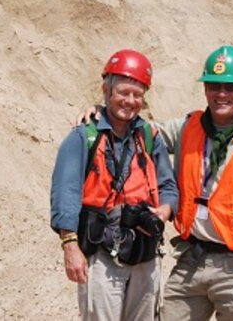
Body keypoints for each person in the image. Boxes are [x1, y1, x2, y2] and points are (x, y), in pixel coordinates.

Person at [78, 45, 233, 321]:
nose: (221, 94)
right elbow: (138, 128)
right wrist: (104, 110)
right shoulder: (187, 127)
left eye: (231, 88)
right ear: (205, 89)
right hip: (193, 260)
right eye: (214, 86)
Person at [50, 49, 179, 321]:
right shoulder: (84, 135)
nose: (129, 101)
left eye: (137, 95)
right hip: (101, 254)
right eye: (123, 92)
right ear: (106, 90)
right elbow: (66, 192)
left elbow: (169, 186)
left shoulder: (149, 135)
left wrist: (164, 211)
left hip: (145, 254)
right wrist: (70, 246)